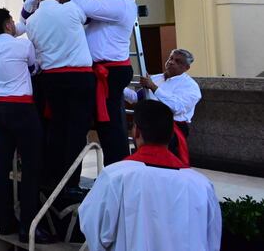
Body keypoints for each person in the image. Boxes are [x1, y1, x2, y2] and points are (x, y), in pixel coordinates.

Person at [79, 100, 221, 251]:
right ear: (171, 135)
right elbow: (212, 239)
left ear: (137, 132)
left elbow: (93, 226)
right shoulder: (202, 185)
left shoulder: (115, 176)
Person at [0, 9, 53, 244]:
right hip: (21, 109)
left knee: (1, 166)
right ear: (8, 25)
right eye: (12, 21)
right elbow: (35, 68)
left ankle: (6, 220)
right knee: (32, 167)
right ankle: (28, 226)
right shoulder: (22, 46)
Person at [26, 0, 94, 192]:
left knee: (57, 127)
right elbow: (87, 15)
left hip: (52, 78)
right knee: (77, 130)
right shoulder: (71, 9)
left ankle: (54, 177)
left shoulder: (31, 21)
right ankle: (71, 181)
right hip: (79, 76)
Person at [63, 0, 139, 165]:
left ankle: (117, 166)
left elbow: (90, 7)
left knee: (110, 123)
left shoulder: (122, 3)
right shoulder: (114, 4)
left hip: (109, 71)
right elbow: (92, 9)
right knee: (106, 122)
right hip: (104, 69)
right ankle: (114, 164)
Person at [124, 48, 201, 165]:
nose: (171, 62)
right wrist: (119, 88)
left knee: (167, 164)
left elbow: (177, 107)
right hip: (147, 127)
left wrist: (154, 88)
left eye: (178, 61)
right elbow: (135, 98)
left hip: (171, 129)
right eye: (171, 58)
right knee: (145, 162)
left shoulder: (191, 86)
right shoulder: (156, 78)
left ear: (186, 67)